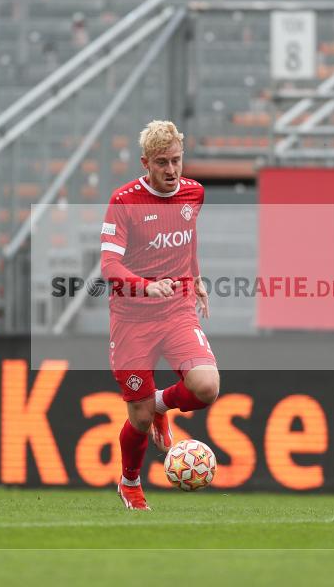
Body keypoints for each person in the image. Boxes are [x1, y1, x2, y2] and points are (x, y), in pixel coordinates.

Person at [99, 120, 219, 510]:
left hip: (177, 308)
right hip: (133, 318)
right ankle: (130, 483)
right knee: (137, 417)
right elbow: (108, 266)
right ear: (145, 163)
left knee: (206, 387)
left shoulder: (193, 193)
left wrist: (196, 278)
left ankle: (160, 407)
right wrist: (144, 285)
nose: (172, 170)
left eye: (177, 161)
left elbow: (188, 236)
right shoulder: (124, 201)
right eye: (162, 162)